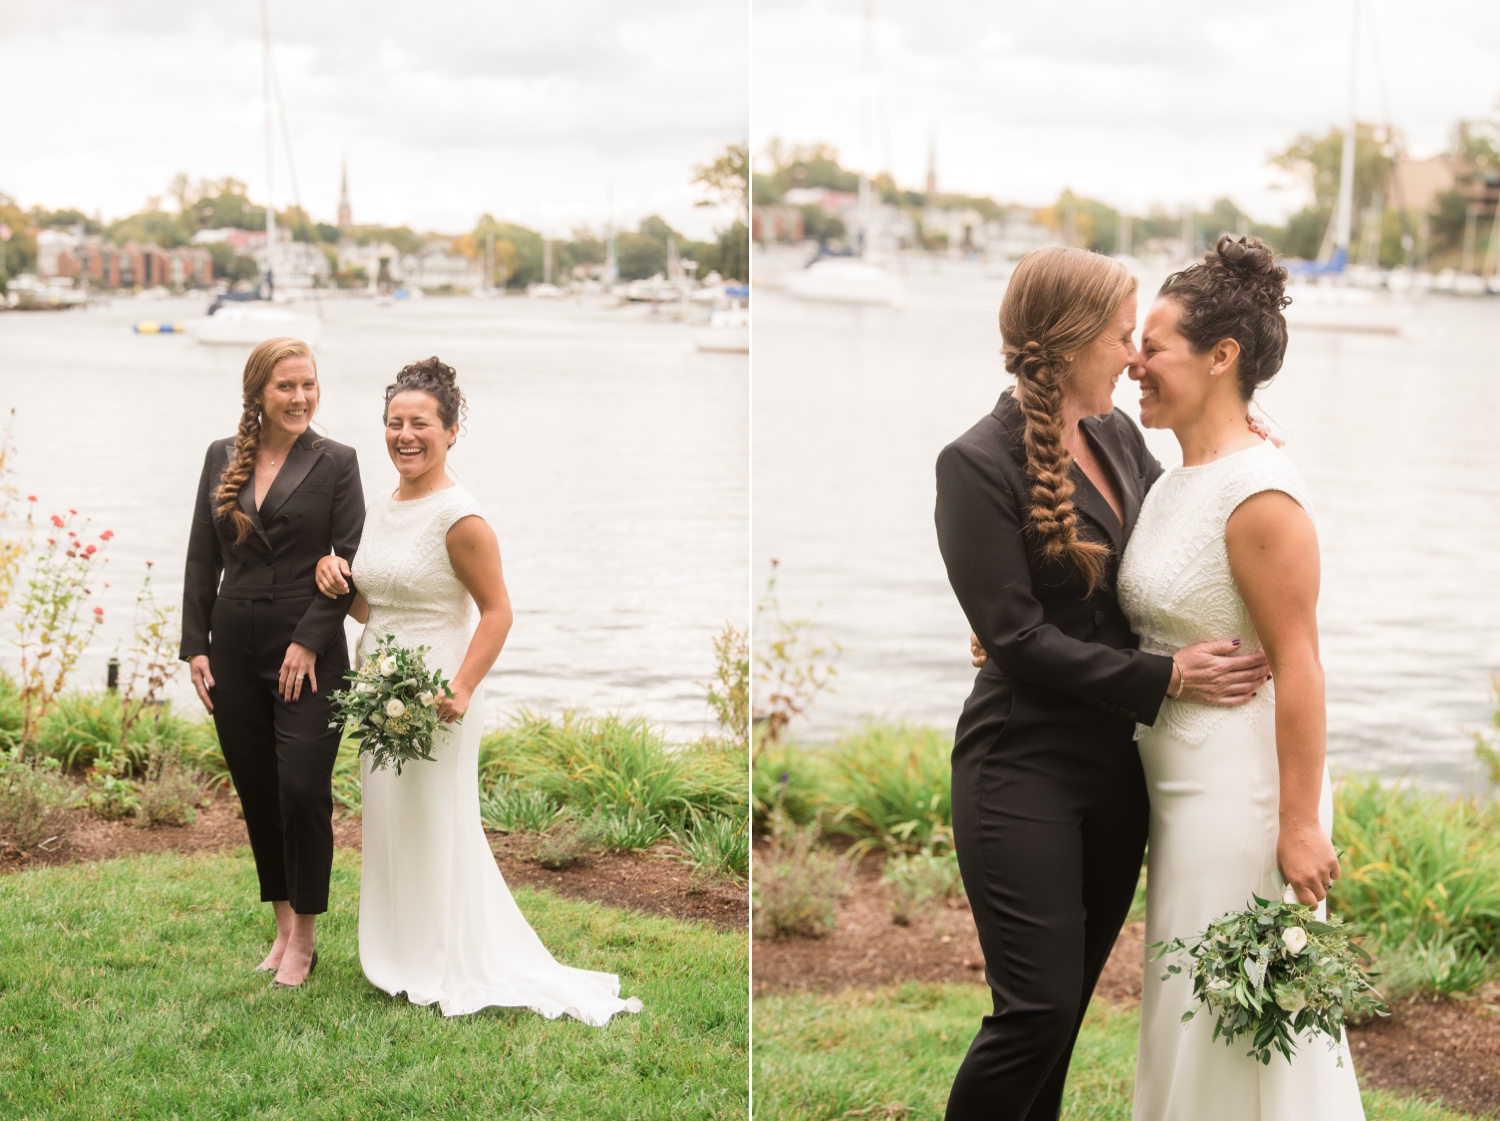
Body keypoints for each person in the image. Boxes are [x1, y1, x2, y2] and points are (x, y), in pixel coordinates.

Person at [933, 247, 1270, 1121]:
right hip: (1021, 769)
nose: (1134, 354)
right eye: (1125, 335)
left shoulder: (1121, 439)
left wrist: (1246, 451)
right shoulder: (973, 464)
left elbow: (1171, 546)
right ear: (1073, 340)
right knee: (1034, 1010)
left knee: (1067, 1012)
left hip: (1119, 775)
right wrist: (1166, 676)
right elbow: (1014, 636)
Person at [314, 357, 643, 1023]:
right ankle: (395, 952)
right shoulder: (383, 507)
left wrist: (461, 687)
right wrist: (336, 581)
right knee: (389, 820)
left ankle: (442, 957)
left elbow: (497, 612)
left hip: (438, 687)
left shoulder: (461, 517)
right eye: (394, 422)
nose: (405, 435)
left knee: (435, 821)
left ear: (452, 430)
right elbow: (377, 605)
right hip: (379, 685)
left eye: (421, 424)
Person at [1120, 236, 1362, 1119]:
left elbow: (1300, 664)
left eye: (1154, 347)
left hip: (1244, 801)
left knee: (1233, 1016)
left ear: (1222, 358)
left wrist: (1297, 824)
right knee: (1186, 1011)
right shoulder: (1175, 477)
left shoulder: (1260, 494)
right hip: (1180, 793)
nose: (1133, 364)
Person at [180, 336, 363, 989]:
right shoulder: (219, 456)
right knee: (258, 788)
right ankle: (282, 925)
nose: (300, 397)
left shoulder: (337, 461)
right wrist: (194, 644)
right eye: (286, 386)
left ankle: (307, 937)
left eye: (308, 384)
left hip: (308, 651)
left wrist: (311, 636)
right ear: (258, 391)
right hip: (232, 643)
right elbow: (203, 556)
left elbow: (351, 560)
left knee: (302, 787)